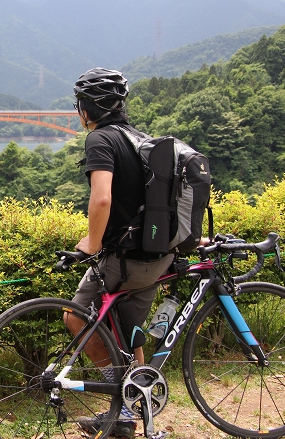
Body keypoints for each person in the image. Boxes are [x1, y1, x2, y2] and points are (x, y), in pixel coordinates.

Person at [64, 68, 174, 439]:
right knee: (131, 332)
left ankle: (121, 402)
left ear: (85, 109)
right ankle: (133, 410)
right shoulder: (140, 139)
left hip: (124, 261)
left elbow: (104, 197)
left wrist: (92, 245)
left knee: (76, 317)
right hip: (156, 256)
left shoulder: (100, 140)